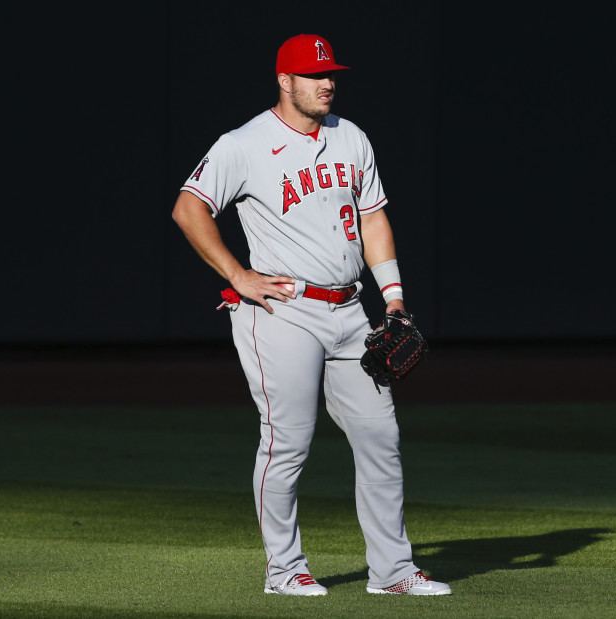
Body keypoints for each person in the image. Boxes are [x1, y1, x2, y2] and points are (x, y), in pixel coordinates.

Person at [171, 34, 451, 597]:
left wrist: (393, 298)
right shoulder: (245, 143)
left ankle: (393, 571)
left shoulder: (351, 137)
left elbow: (373, 221)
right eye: (314, 74)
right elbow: (188, 207)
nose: (327, 83)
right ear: (285, 80)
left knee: (380, 437)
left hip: (350, 309)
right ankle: (284, 570)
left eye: (331, 74)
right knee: (288, 441)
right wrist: (237, 275)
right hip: (281, 310)